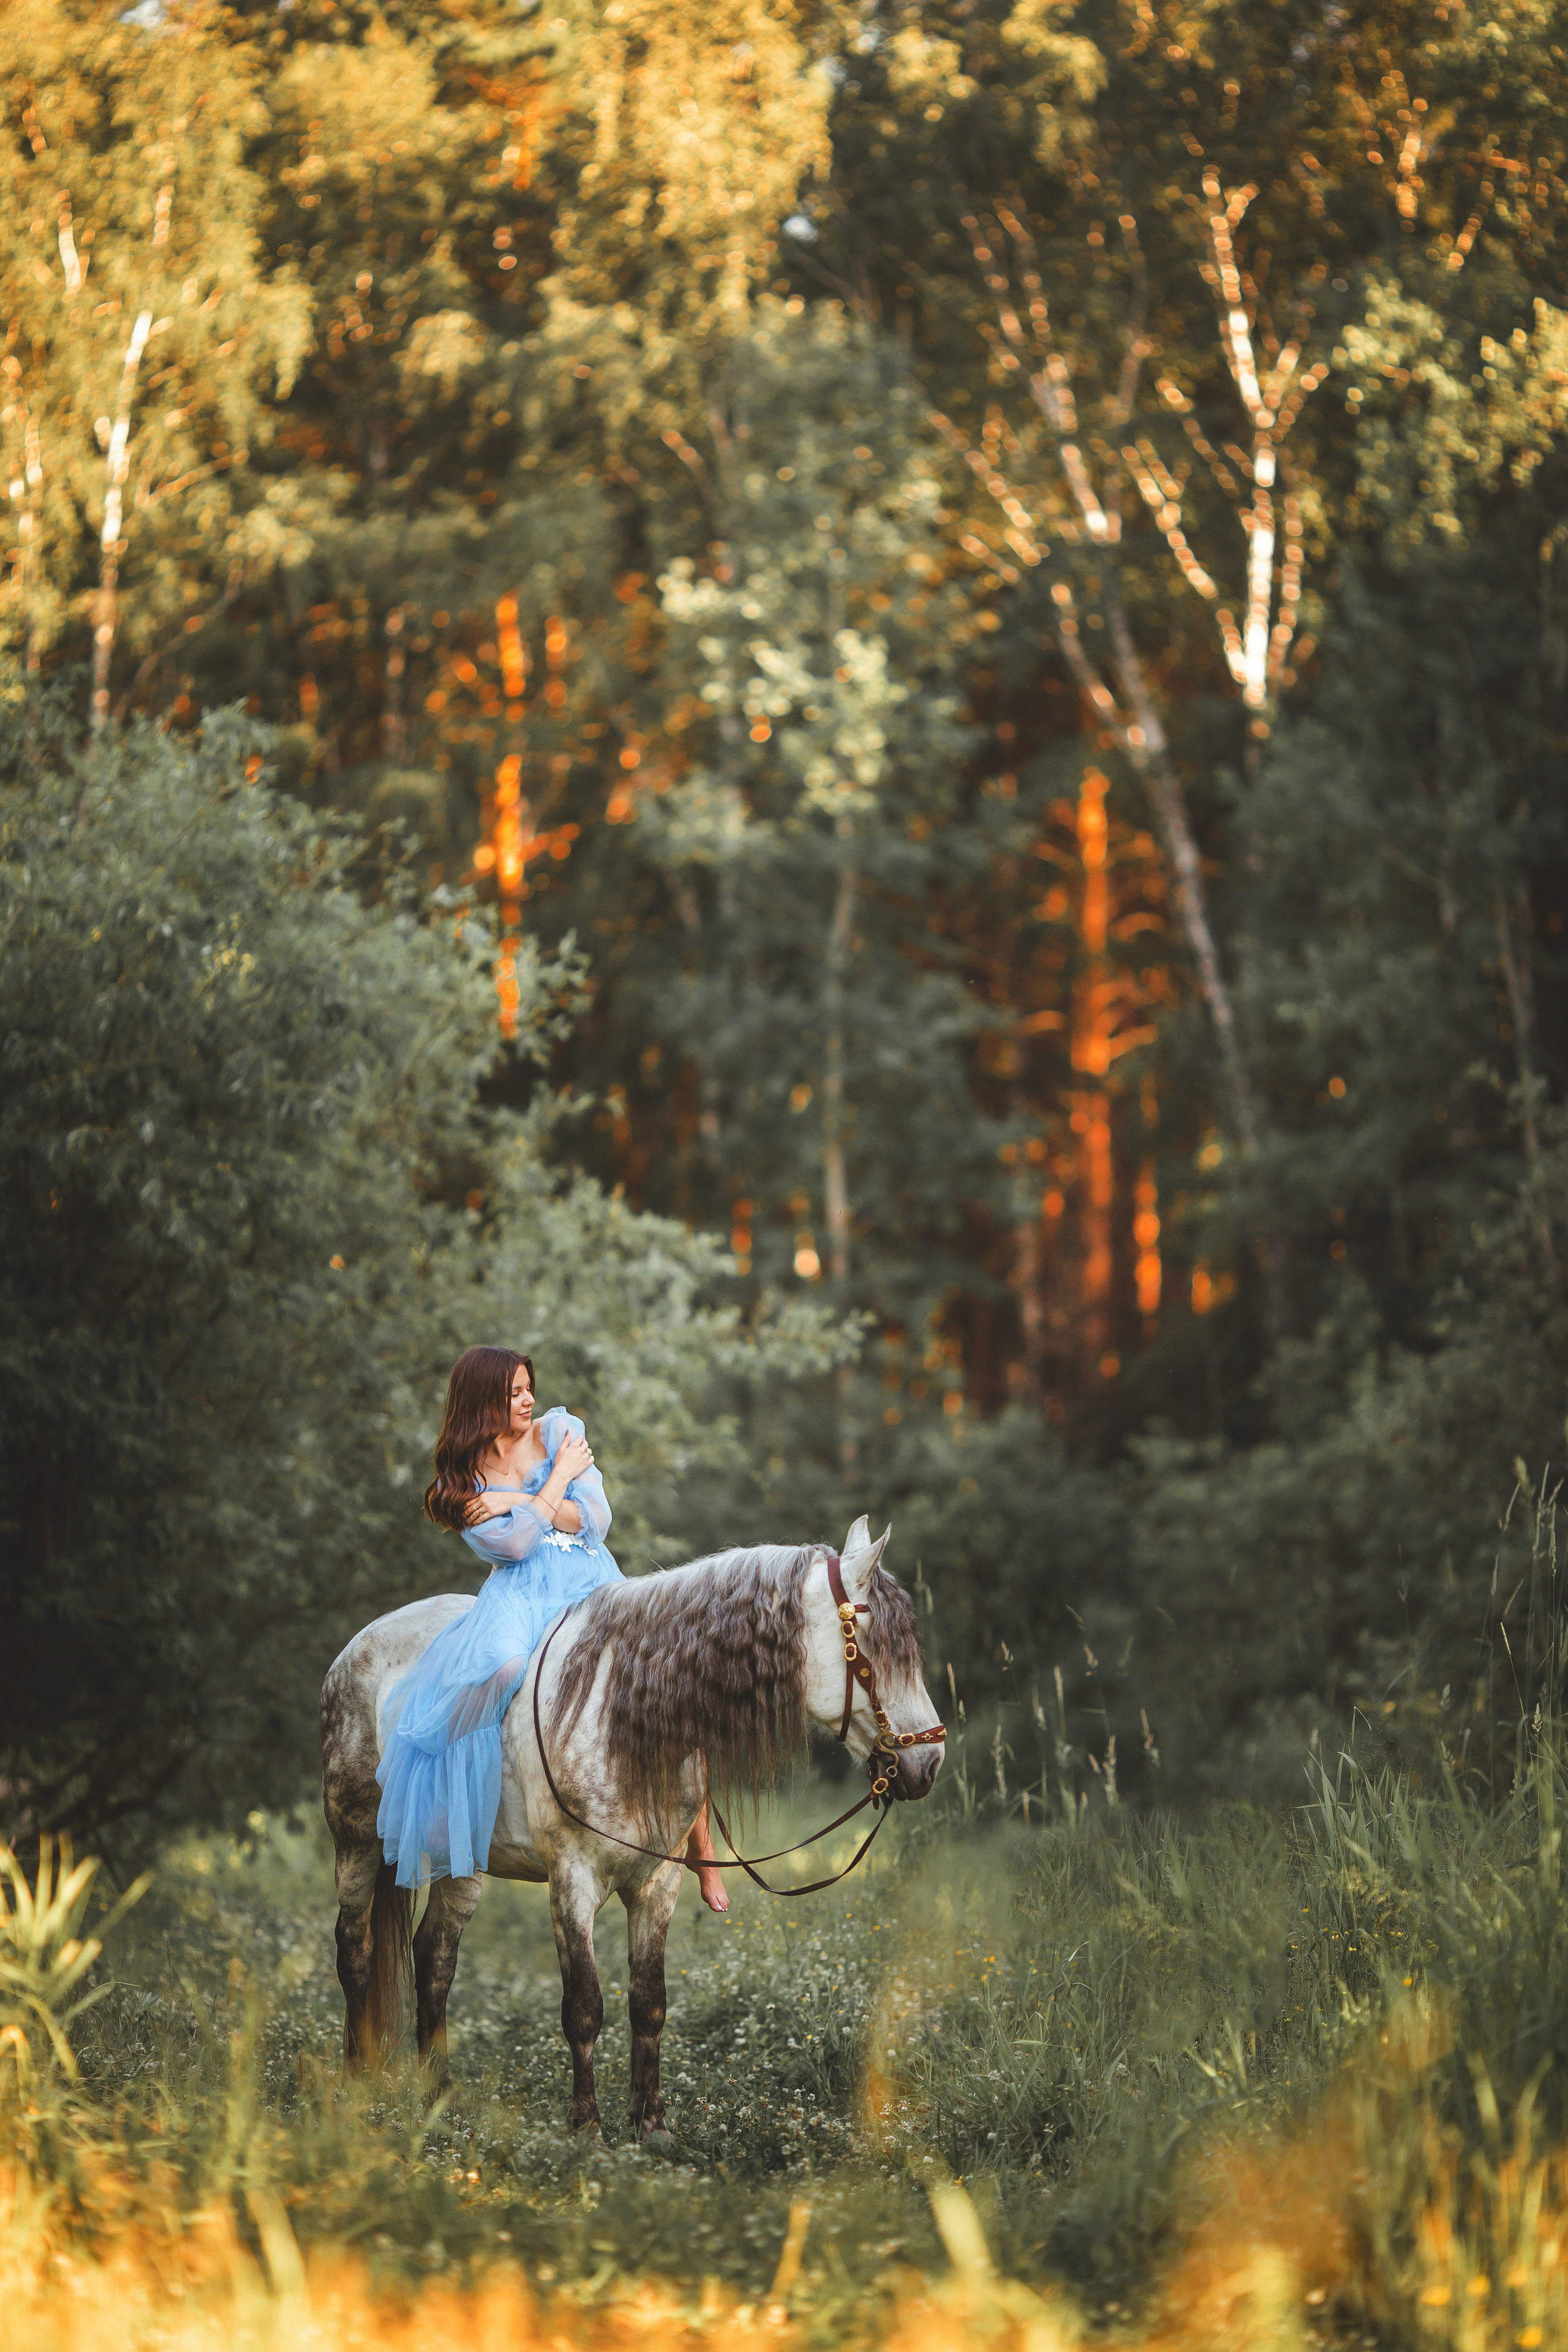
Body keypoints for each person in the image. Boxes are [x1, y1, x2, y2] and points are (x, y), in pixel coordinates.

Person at [375, 1345, 729, 1910]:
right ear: (483, 1401)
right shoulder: (461, 1482)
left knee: (668, 1677)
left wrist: (521, 1494)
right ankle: (473, 1807)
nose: (528, 1398)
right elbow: (514, 1547)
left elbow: (596, 1521)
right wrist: (553, 1489)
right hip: (518, 1595)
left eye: (527, 1387)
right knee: (503, 1668)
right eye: (514, 1391)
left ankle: (701, 1850)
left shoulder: (560, 1431)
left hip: (591, 1580)